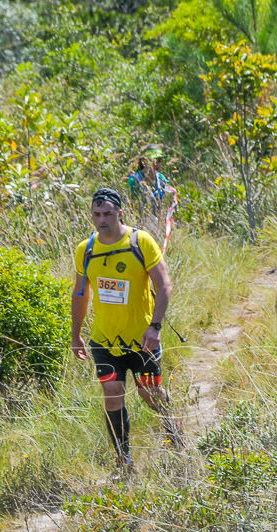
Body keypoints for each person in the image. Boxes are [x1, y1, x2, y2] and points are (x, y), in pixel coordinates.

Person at [71, 188, 179, 476]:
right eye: (96, 214)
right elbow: (80, 294)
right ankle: (124, 460)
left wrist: (155, 327)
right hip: (104, 339)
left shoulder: (139, 241)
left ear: (120, 213)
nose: (101, 220)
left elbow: (164, 286)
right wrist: (76, 334)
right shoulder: (86, 250)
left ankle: (175, 432)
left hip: (141, 338)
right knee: (112, 391)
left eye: (107, 214)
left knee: (150, 394)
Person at [127, 144, 178, 245]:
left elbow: (167, 204)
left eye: (159, 160)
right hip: (139, 227)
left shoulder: (161, 179)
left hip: (159, 226)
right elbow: (130, 208)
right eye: (153, 160)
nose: (156, 164)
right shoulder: (134, 180)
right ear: (144, 161)